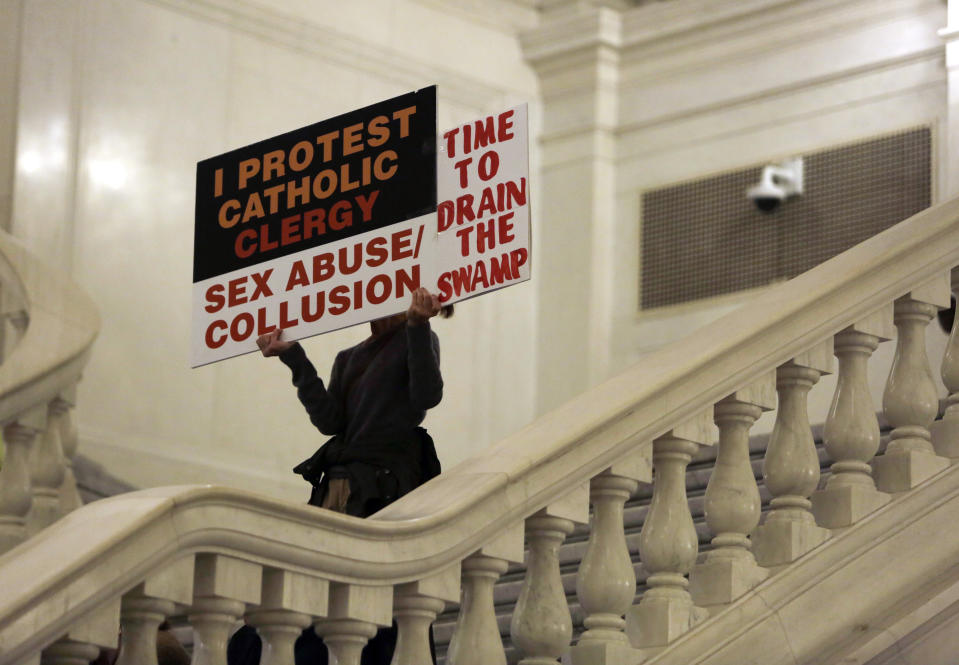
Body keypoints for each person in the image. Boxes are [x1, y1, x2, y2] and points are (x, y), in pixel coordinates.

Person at [228, 287, 449, 665]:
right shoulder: (349, 357)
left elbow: (427, 396)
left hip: (384, 487)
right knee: (321, 592)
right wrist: (293, 357)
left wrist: (416, 325)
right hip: (339, 484)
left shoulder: (419, 336)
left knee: (371, 595)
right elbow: (330, 421)